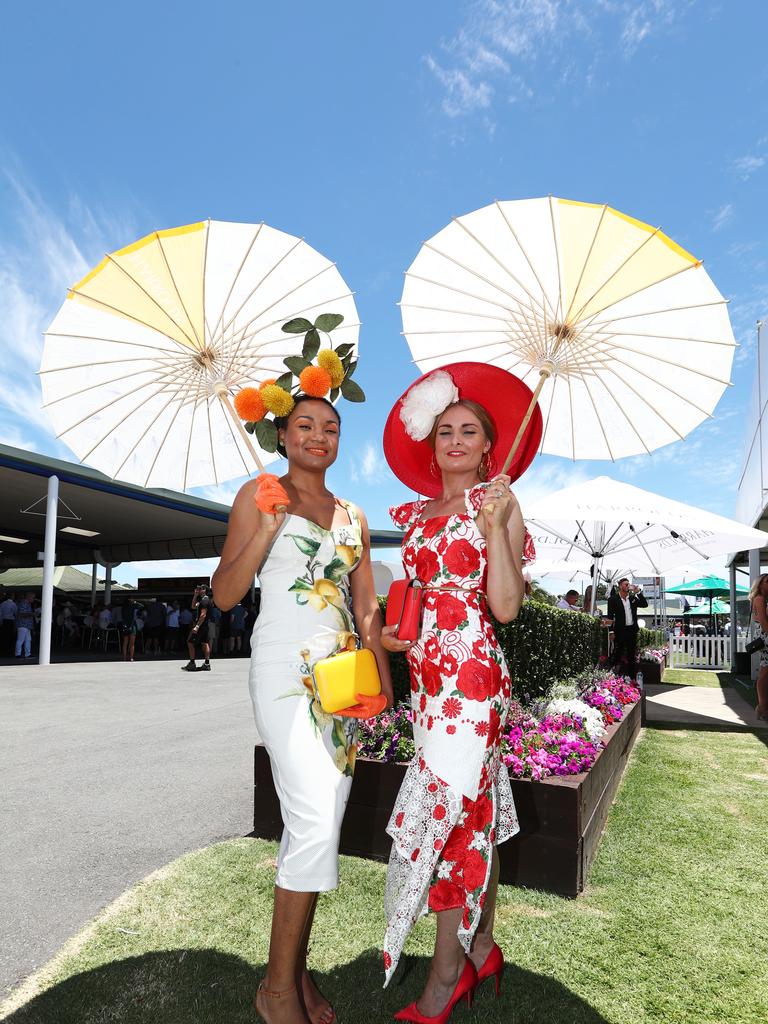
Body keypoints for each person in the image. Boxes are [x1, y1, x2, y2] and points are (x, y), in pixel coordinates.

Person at [213, 394, 393, 1024]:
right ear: (283, 435)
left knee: (321, 822)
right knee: (314, 820)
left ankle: (293, 974)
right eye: (306, 426)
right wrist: (266, 528)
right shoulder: (258, 494)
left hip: (341, 678)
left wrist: (383, 675)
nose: (319, 435)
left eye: (331, 428)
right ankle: (277, 992)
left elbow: (367, 604)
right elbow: (226, 593)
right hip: (284, 669)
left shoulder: (353, 514)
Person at [380, 364, 536, 1020]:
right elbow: (409, 602)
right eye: (445, 429)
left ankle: (445, 978)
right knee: (468, 812)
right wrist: (394, 636)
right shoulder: (413, 515)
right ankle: (482, 948)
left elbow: (504, 606)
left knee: (454, 821)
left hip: (473, 678)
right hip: (427, 682)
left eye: (469, 431)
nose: (455, 440)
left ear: (487, 446)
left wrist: (499, 527)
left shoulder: (495, 501)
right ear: (432, 441)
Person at [607, 578, 648, 679]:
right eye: (626, 584)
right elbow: (610, 616)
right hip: (620, 630)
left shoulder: (633, 598)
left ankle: (632, 677)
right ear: (620, 586)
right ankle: (614, 675)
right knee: (618, 652)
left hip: (632, 630)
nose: (628, 586)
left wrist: (638, 593)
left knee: (631, 654)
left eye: (628, 584)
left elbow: (644, 604)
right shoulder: (613, 599)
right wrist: (611, 631)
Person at [749, 574, 768, 720]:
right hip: (766, 636)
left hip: (763, 636)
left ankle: (762, 707)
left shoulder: (761, 598)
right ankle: (762, 707)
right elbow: (763, 621)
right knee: (764, 672)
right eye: (767, 582)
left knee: (764, 670)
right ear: (760, 584)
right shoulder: (760, 598)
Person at [181, 586, 211, 672]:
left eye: (202, 588)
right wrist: (195, 595)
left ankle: (192, 663)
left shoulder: (204, 601)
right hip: (205, 626)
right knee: (205, 643)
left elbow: (203, 615)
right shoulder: (202, 600)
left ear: (205, 590)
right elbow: (193, 606)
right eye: (198, 589)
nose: (199, 590)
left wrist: (197, 626)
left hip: (201, 626)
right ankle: (207, 664)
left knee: (190, 642)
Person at [15, 592, 35, 659]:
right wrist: (32, 614)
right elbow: (21, 614)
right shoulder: (23, 603)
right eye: (33, 597)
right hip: (23, 624)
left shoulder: (26, 603)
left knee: (27, 640)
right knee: (21, 640)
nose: (33, 599)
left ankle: (27, 654)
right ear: (29, 597)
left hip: (26, 625)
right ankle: (18, 654)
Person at [122, 597, 139, 661]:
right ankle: (131, 657)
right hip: (132, 626)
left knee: (125, 642)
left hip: (125, 626)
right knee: (132, 643)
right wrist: (135, 602)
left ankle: (124, 657)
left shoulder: (123, 609)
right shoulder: (133, 607)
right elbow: (142, 606)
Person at [1, 592, 17, 657]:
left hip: (4, 621)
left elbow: (0, 614)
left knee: (4, 636)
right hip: (10, 621)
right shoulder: (13, 604)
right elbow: (15, 613)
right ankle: (10, 652)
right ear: (12, 597)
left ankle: (4, 651)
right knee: (11, 637)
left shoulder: (2, 604)